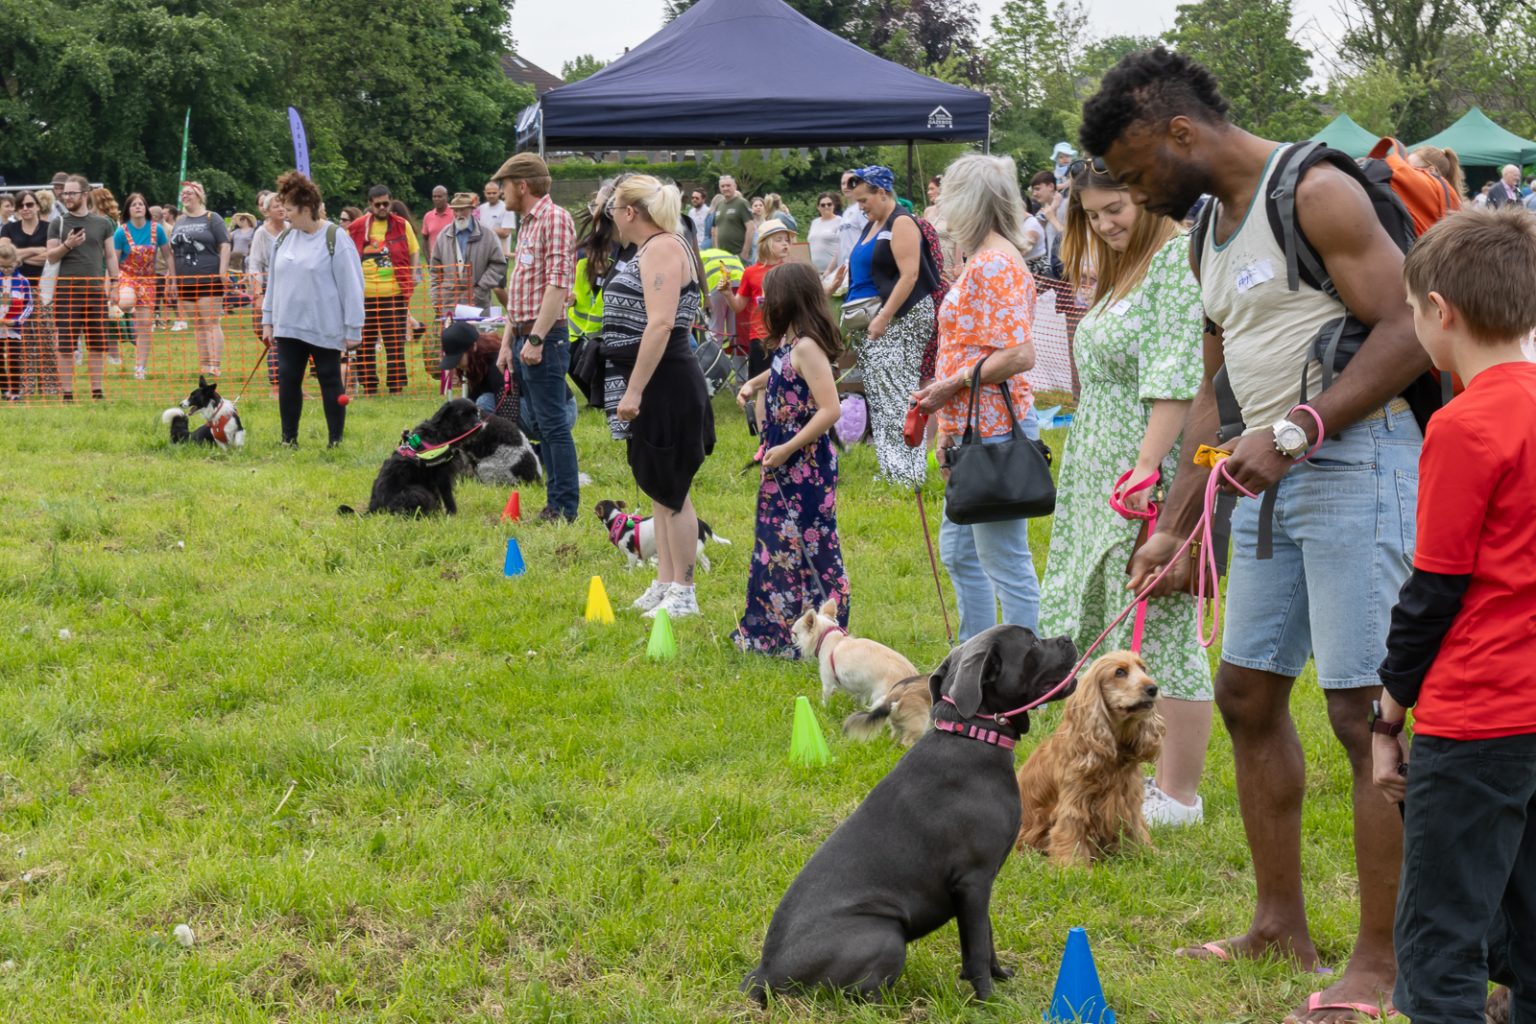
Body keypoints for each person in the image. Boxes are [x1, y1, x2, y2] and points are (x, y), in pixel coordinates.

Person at [1091, 48, 1423, 1021]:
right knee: (1245, 693)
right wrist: (1176, 523)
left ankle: (1383, 960)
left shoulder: (1314, 190)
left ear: (1179, 133)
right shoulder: (1203, 229)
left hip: (1357, 464)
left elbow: (1407, 330)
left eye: (1136, 165)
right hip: (1264, 478)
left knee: (1367, 716)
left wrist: (1302, 429)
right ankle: (1280, 923)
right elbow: (1213, 385)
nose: (1134, 190)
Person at [1373, 207, 1536, 1024]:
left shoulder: (1464, 424)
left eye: (1411, 311)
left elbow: (1433, 588)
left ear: (1441, 312)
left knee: (1441, 939)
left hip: (1477, 718)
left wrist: (1386, 714)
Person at [1038, 161, 1214, 825]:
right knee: (1103, 617)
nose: (1106, 224)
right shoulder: (1125, 270)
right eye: (1093, 213)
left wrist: (1147, 468)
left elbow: (1178, 379)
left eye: (1117, 208)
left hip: (1143, 473)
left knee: (1161, 631)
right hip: (1098, 467)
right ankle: (1112, 775)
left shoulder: (1173, 262)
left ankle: (1179, 795)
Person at [909, 154, 1041, 641]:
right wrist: (947, 423)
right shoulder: (983, 259)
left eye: (946, 196)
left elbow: (1019, 354)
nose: (939, 205)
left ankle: (1025, 671)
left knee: (1005, 561)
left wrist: (952, 384)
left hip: (995, 432)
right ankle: (977, 657)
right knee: (962, 553)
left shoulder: (995, 264)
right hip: (973, 431)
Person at [599, 174, 715, 617]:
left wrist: (634, 390)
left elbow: (662, 324)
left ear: (630, 212)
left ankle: (685, 592)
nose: (610, 217)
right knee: (658, 489)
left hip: (663, 381)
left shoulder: (664, 246)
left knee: (673, 490)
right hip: (650, 379)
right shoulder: (646, 249)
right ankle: (665, 581)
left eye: (613, 209)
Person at [734, 262, 848, 656]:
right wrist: (754, 381)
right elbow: (784, 371)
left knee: (810, 547)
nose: (763, 303)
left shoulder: (808, 347)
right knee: (777, 545)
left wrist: (787, 447)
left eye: (768, 296)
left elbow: (829, 409)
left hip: (805, 468)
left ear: (788, 299)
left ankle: (823, 633)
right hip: (782, 464)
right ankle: (775, 632)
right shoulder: (790, 344)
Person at [493, 152, 581, 524]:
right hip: (526, 336)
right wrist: (507, 343)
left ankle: (563, 508)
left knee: (553, 425)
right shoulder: (529, 223)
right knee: (544, 425)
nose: (501, 192)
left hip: (545, 338)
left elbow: (557, 286)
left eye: (504, 185)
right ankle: (554, 503)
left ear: (522, 185)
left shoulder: (555, 219)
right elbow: (522, 290)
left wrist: (538, 339)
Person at [845, 164, 937, 489]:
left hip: (902, 318)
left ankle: (909, 474)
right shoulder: (872, 224)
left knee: (898, 394)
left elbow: (910, 274)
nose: (861, 207)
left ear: (882, 192)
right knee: (882, 396)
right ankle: (891, 468)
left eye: (864, 200)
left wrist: (884, 316)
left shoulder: (901, 222)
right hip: (875, 321)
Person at [262, 171, 365, 447]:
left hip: (324, 325)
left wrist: (354, 327)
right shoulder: (284, 239)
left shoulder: (335, 237)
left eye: (290, 209)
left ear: (306, 209)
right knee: (288, 380)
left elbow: (352, 285)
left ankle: (335, 441)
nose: (285, 214)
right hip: (288, 327)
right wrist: (267, 320)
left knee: (330, 380)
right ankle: (288, 439)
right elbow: (273, 282)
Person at [46, 174, 118, 400]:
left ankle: (97, 391)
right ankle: (67, 393)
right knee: (66, 345)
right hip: (66, 293)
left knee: (97, 343)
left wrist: (115, 283)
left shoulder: (103, 223)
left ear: (85, 194)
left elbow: (110, 255)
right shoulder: (58, 223)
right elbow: (51, 256)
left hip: (96, 292)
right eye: (65, 193)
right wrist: (68, 244)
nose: (66, 197)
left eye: (71, 193)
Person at [719, 218, 794, 429]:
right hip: (761, 338)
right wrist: (726, 294)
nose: (785, 244)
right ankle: (764, 434)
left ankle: (788, 428)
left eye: (787, 240)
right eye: (779, 240)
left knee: (789, 383)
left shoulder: (792, 269)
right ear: (765, 243)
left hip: (788, 337)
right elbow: (738, 307)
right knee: (763, 388)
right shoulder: (751, 272)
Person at [347, 184, 419, 395]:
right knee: (364, 343)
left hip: (394, 293)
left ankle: (395, 386)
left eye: (385, 204)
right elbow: (347, 255)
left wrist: (413, 274)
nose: (382, 207)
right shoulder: (358, 227)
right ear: (370, 204)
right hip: (365, 295)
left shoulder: (401, 225)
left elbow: (414, 251)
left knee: (394, 341)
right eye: (377, 204)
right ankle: (369, 386)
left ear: (390, 202)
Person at [169, 181, 231, 376]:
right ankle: (204, 364)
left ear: (199, 195)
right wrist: (173, 279)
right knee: (197, 323)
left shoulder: (213, 218)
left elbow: (225, 245)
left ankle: (215, 364)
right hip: (185, 280)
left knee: (211, 321)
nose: (185, 196)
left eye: (189, 192)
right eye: (183, 193)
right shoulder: (179, 221)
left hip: (208, 278)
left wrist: (222, 272)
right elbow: (173, 250)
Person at [113, 192, 169, 381]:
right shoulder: (121, 232)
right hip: (127, 275)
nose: (138, 207)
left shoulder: (157, 230)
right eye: (134, 204)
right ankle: (123, 306)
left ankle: (140, 367)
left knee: (145, 326)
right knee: (127, 302)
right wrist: (111, 284)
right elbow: (113, 259)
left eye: (141, 204)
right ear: (128, 209)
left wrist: (173, 277)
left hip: (148, 279)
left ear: (145, 208)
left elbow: (168, 255)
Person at [1, 191, 50, 395]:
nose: (25, 208)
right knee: (20, 344)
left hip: (43, 287)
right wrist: (37, 250)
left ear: (38, 206)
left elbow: (51, 255)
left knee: (45, 337)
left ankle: (50, 386)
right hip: (10, 291)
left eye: (30, 204)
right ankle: (23, 387)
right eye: (20, 205)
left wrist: (19, 254)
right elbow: (5, 254)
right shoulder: (9, 228)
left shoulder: (50, 228)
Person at [429, 191, 507, 317]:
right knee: (452, 336)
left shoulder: (487, 234)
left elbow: (499, 264)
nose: (459, 214)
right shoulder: (443, 236)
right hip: (449, 304)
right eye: (456, 210)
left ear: (471, 209)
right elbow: (435, 271)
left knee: (479, 336)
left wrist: (481, 288)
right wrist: (436, 298)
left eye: (463, 210)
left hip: (478, 303)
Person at [248, 192, 288, 391]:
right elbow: (254, 265)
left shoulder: (292, 229)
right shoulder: (261, 233)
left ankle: (285, 382)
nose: (281, 208)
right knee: (271, 335)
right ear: (267, 211)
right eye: (276, 206)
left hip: (290, 288)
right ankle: (277, 384)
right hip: (268, 289)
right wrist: (258, 294)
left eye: (283, 204)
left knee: (283, 338)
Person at [438, 320, 504, 415]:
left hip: (521, 411)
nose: (457, 365)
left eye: (458, 359)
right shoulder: (476, 366)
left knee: (484, 402)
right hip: (507, 412)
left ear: (474, 346)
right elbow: (471, 402)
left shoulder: (496, 364)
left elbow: (508, 409)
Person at [0, 240, 35, 401]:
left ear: (16, 262)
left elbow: (29, 305)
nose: (6, 270)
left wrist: (17, 321)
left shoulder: (22, 281)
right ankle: (4, 388)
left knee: (14, 357)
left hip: (14, 327)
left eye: (9, 267)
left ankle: (15, 392)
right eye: (2, 267)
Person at [922, 175, 960, 283]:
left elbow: (959, 239)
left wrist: (958, 265)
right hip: (931, 260)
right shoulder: (928, 211)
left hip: (949, 261)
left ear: (942, 189)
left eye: (932, 189)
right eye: (928, 189)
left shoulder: (953, 211)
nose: (929, 192)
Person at [711, 175, 753, 263]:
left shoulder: (742, 203)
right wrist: (716, 251)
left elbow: (750, 228)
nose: (725, 188)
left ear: (735, 186)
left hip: (738, 254)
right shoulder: (719, 205)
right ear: (719, 188)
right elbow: (715, 229)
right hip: (722, 255)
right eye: (722, 186)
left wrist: (744, 253)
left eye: (728, 185)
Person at [836, 169, 870, 272]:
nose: (846, 186)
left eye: (850, 183)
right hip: (844, 268)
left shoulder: (862, 208)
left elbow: (869, 237)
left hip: (858, 266)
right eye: (843, 183)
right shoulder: (846, 212)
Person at [807, 191, 841, 274]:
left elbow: (841, 248)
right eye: (823, 205)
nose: (826, 207)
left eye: (829, 204)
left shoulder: (840, 221)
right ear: (818, 207)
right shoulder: (815, 222)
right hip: (814, 271)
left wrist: (829, 270)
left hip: (833, 271)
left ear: (833, 206)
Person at [478, 180, 516, 254]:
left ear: (500, 192)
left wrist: (484, 230)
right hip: (484, 252)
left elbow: (505, 232)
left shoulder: (507, 208)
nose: (491, 195)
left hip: (501, 253)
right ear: (484, 193)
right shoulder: (481, 208)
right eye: (489, 193)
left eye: (494, 193)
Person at [422, 185, 453, 255]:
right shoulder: (428, 216)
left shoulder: (455, 214)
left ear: (446, 197)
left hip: (452, 259)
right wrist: (428, 260)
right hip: (434, 259)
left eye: (439, 196)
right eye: (434, 196)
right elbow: (424, 240)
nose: (436, 199)